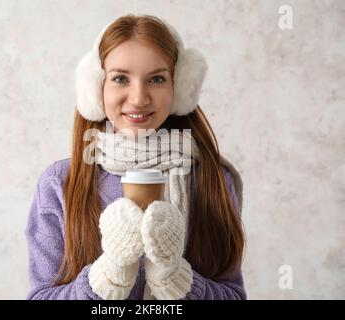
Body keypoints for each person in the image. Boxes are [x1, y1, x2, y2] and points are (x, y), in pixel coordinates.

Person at [25, 14, 247, 300]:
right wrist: (108, 276)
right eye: (120, 78)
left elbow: (233, 295)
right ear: (96, 88)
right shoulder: (60, 183)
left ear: (179, 88)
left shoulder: (211, 179)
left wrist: (177, 280)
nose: (139, 97)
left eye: (156, 79)